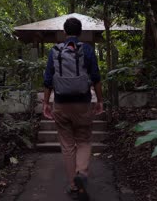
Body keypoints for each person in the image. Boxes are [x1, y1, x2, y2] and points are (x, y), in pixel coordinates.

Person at [42, 17, 103, 201]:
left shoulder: (55, 51)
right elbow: (96, 77)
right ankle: (82, 173)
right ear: (80, 32)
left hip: (61, 103)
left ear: (64, 32)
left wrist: (46, 103)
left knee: (68, 145)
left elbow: (48, 80)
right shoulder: (87, 50)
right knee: (83, 140)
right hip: (83, 103)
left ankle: (72, 185)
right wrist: (100, 100)